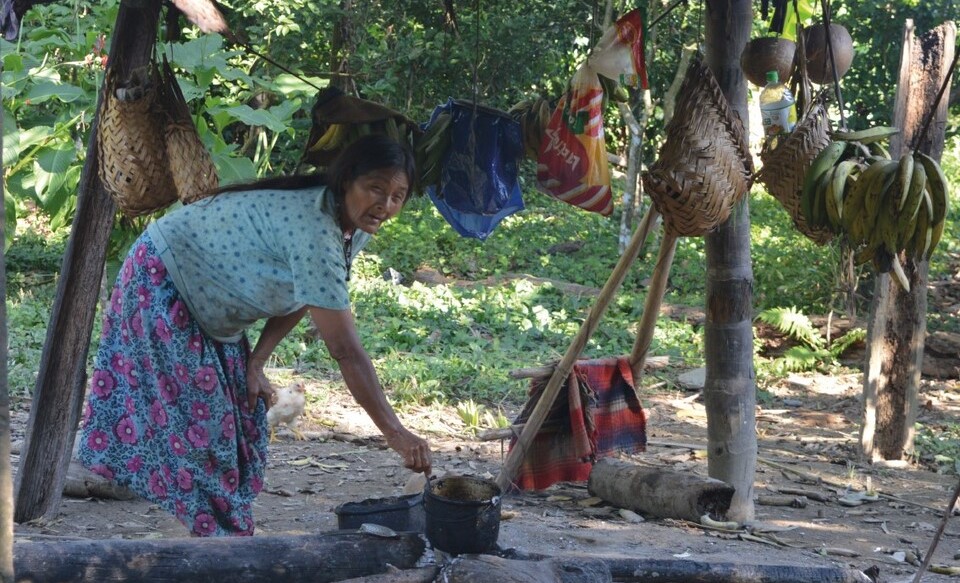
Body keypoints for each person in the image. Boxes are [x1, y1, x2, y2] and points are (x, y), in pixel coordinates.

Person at [77, 134, 432, 536]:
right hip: (162, 280)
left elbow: (308, 289)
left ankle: (223, 541)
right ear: (347, 180)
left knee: (242, 428)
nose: (385, 206)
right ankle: (222, 546)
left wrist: (257, 362)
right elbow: (346, 352)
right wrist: (397, 434)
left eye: (398, 196)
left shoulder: (352, 224)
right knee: (205, 432)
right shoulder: (314, 226)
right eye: (376, 189)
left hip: (211, 302)